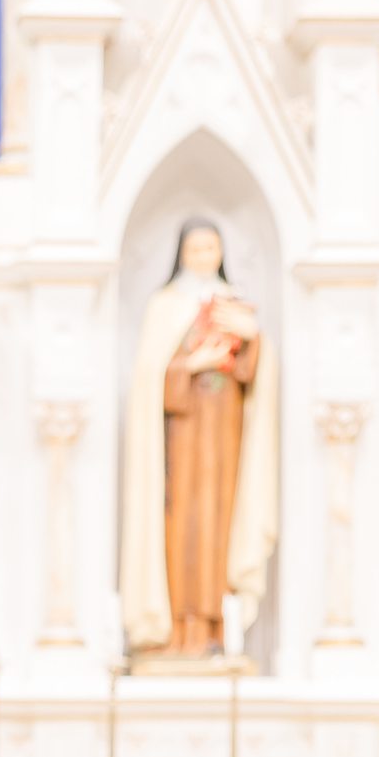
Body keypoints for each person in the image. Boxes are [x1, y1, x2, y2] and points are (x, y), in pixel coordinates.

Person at [120, 215, 279, 659]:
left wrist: (253, 343)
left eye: (211, 249)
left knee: (220, 524)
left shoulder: (234, 305)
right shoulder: (164, 306)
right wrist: (191, 365)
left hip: (225, 436)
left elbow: (254, 376)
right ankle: (174, 628)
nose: (204, 258)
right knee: (182, 526)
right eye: (196, 250)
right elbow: (150, 378)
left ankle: (213, 629)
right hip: (181, 440)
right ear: (182, 255)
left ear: (222, 254)